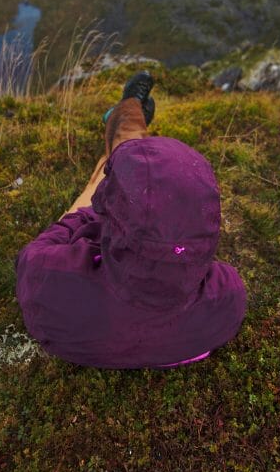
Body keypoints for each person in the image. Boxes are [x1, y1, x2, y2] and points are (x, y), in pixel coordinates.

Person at [15, 72, 247, 368]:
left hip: (110, 262)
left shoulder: (51, 280)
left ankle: (126, 113)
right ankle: (128, 115)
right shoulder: (228, 299)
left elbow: (36, 253)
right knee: (131, 171)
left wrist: (91, 214)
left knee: (105, 175)